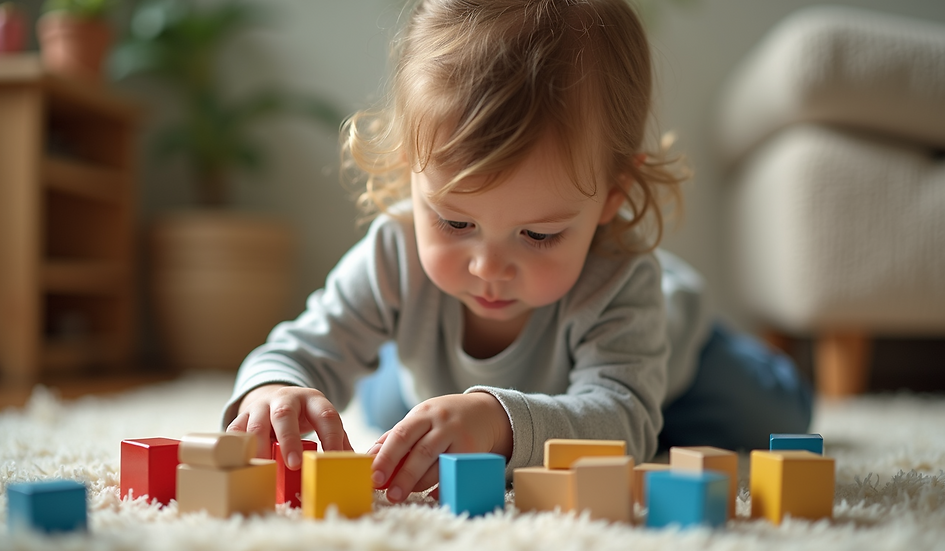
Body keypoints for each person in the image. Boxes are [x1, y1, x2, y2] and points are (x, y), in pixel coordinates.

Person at [223, 0, 812, 504]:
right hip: (467, 376)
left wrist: (501, 424)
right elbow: (298, 349)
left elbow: (624, 422)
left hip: (665, 355)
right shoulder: (393, 252)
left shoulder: (619, 280)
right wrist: (273, 389)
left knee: (766, 418)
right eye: (454, 220)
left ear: (613, 196)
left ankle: (718, 335)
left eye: (539, 235)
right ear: (410, 174)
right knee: (404, 405)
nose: (488, 267)